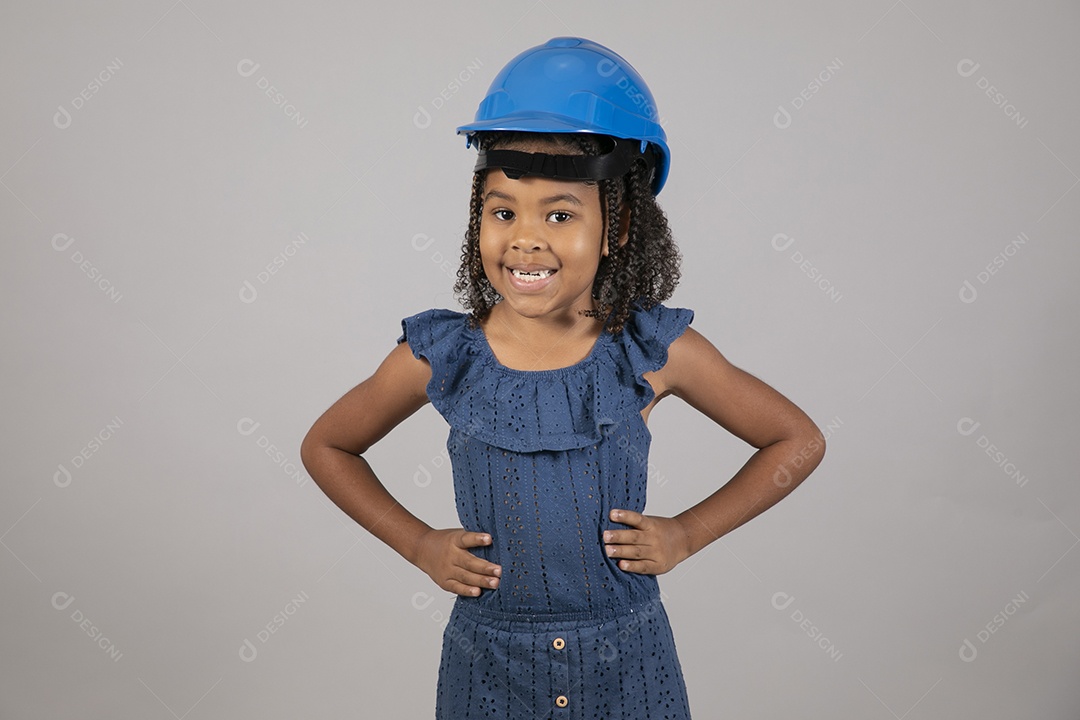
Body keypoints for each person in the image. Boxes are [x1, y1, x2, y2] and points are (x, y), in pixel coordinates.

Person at [300, 36, 825, 720]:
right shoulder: (443, 353)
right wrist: (418, 544)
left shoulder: (652, 350)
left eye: (560, 213)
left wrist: (689, 533)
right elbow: (327, 446)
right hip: (489, 671)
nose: (525, 238)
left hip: (628, 666)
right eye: (502, 210)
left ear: (619, 224)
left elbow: (796, 439)